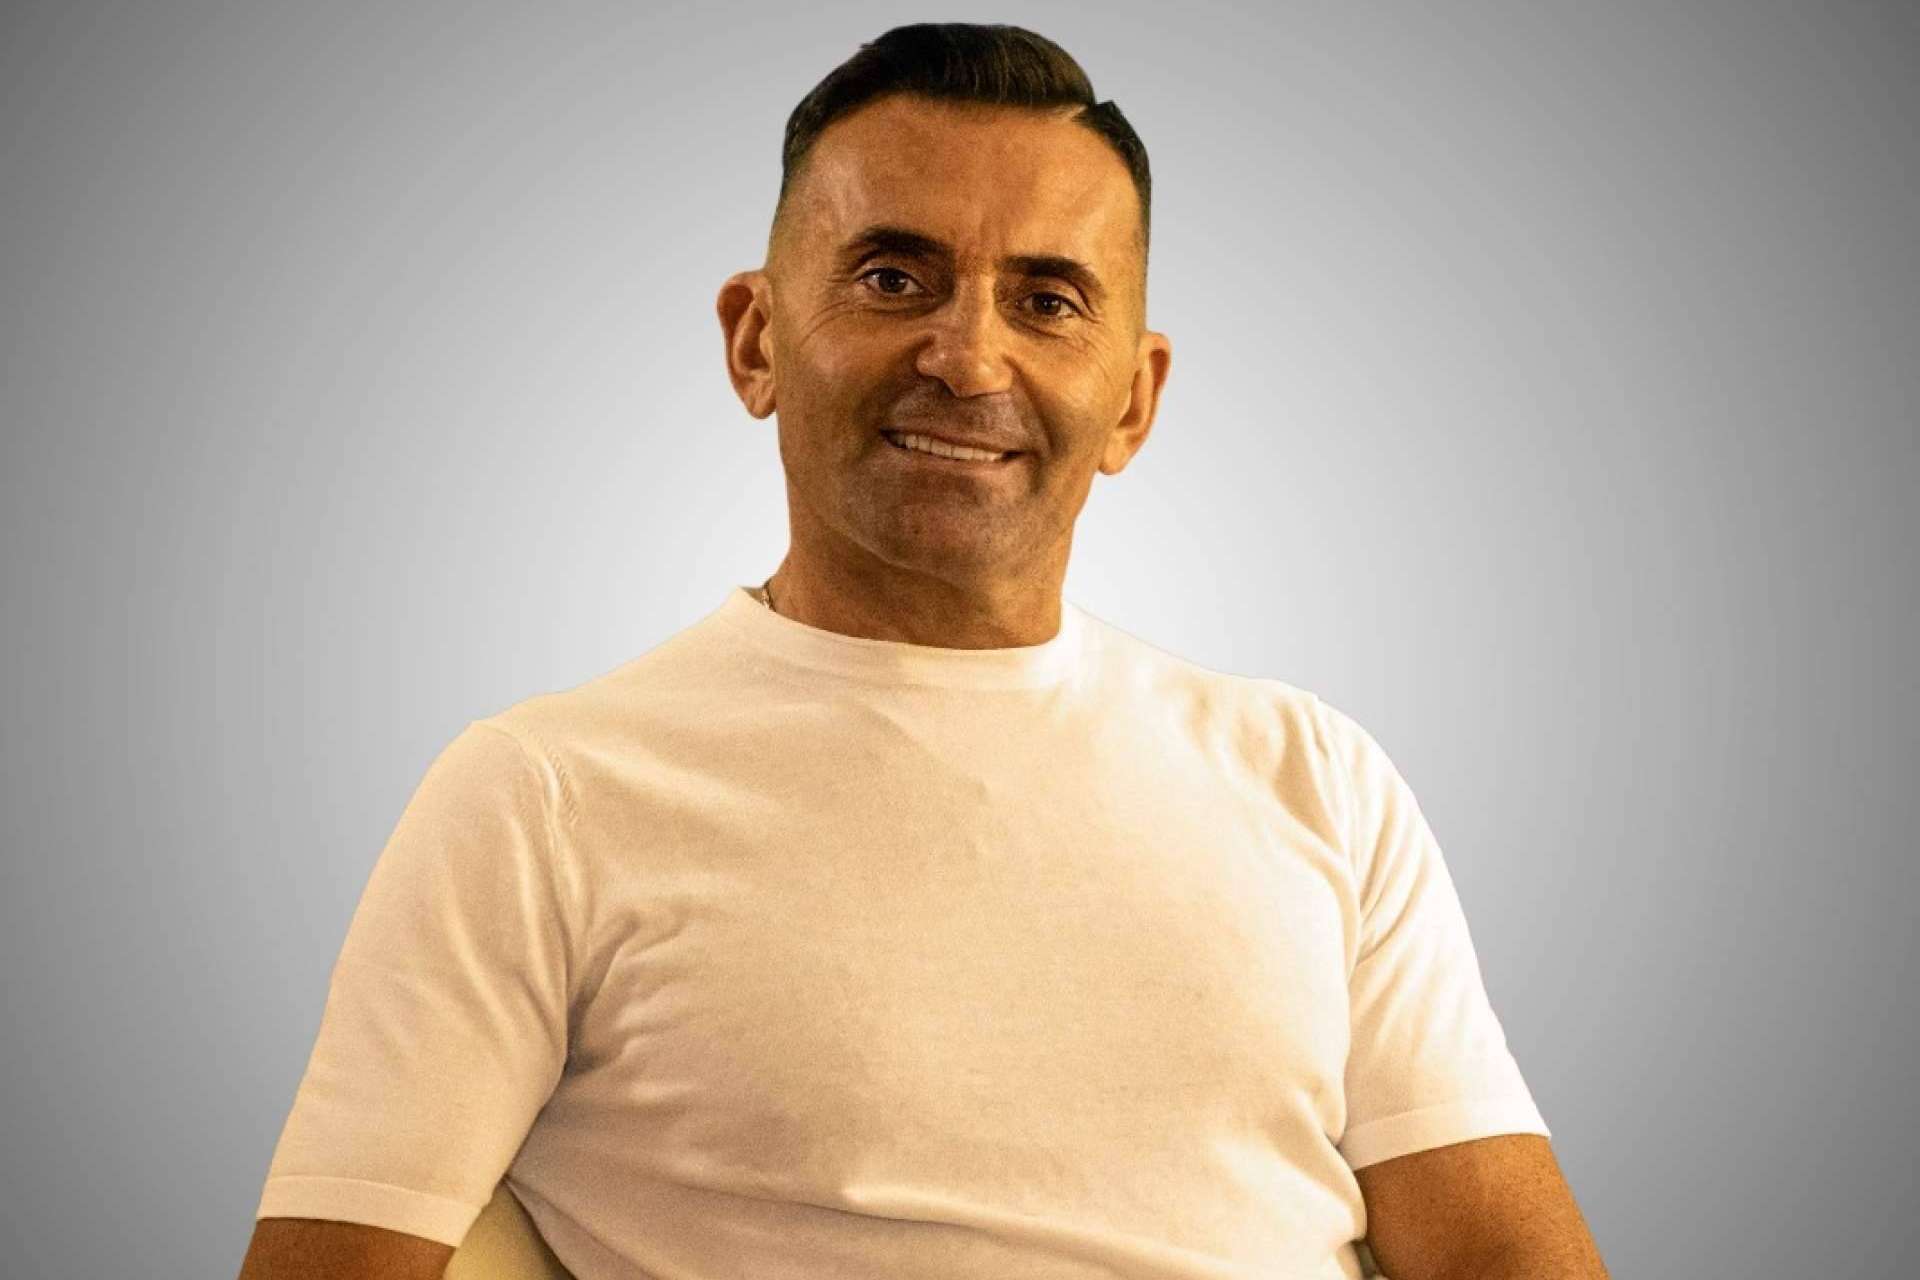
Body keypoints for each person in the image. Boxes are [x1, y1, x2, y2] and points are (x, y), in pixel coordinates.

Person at [239, 22, 1610, 1280]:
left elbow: (1502, 1255)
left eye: (1049, 301)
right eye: (894, 278)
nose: (967, 357)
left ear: (1133, 402)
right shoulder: (539, 798)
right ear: (756, 341)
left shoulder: (1318, 778)